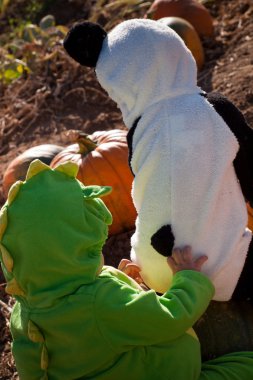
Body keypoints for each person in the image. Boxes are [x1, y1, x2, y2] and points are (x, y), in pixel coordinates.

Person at [1, 159, 253, 380]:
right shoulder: (101, 303)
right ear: (79, 246)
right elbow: (169, 317)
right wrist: (190, 279)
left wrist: (126, 284)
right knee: (244, 367)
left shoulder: (25, 314)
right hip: (173, 375)